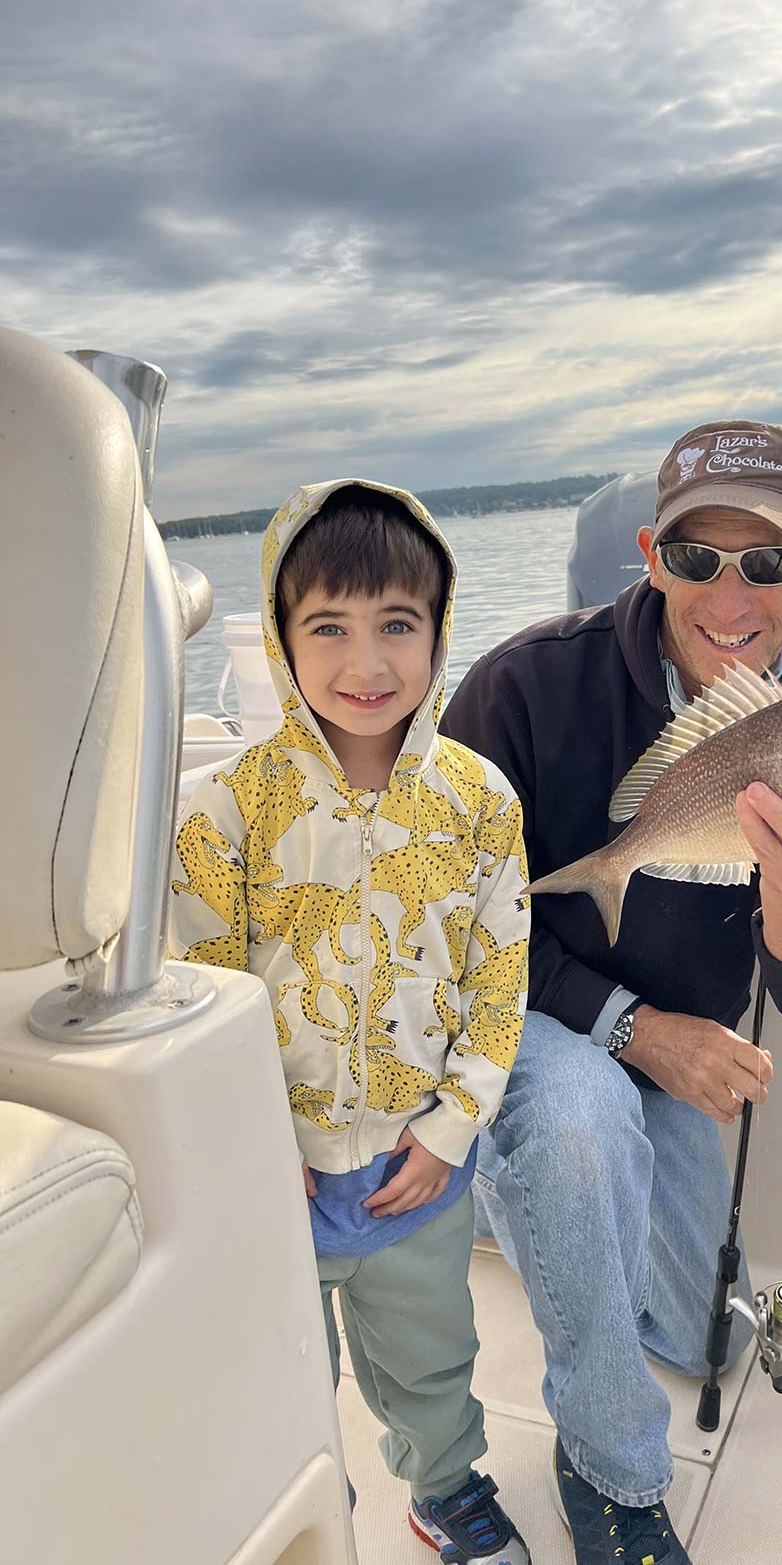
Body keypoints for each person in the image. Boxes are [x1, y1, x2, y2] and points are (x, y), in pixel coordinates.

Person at [442, 420, 782, 1565]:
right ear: (653, 555)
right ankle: (609, 1470)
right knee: (578, 1124)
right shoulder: (516, 691)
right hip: (537, 1018)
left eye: (770, 558)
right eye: (699, 558)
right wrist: (630, 1031)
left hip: (681, 1060)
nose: (731, 591)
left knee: (705, 1342)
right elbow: (450, 934)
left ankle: (559, 1211)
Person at [170, 482, 532, 1565]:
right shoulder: (225, 810)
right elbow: (203, 995)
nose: (365, 663)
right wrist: (255, 1147)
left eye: (397, 625)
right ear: (279, 641)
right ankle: (312, 1515)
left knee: (431, 1354)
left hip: (420, 1172)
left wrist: (450, 1130)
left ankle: (446, 1486)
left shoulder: (482, 803)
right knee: (280, 1369)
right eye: (327, 626)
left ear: (439, 629)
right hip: (274, 1178)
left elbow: (498, 985)